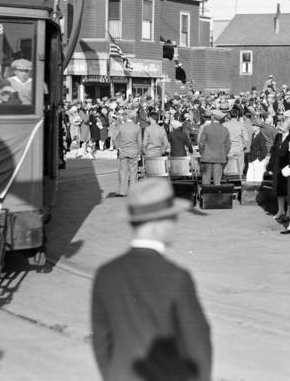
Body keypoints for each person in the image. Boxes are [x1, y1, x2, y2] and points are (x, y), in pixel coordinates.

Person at [91, 178, 212, 381]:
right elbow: (198, 343)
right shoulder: (176, 277)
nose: (175, 224)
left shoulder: (106, 274)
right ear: (158, 224)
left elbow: (101, 341)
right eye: (172, 218)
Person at [198, 110, 231, 186]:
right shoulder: (225, 129)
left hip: (207, 156)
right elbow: (228, 145)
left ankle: (205, 195)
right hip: (219, 157)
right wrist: (223, 153)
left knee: (206, 179)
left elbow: (201, 142)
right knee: (217, 180)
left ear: (213, 117)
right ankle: (216, 195)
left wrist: (202, 152)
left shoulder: (207, 128)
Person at [114, 111, 142, 197]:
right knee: (133, 172)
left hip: (123, 151)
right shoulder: (137, 127)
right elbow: (139, 142)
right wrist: (139, 153)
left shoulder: (120, 126)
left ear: (126, 117)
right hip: (133, 151)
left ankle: (122, 191)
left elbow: (114, 137)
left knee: (123, 171)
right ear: (133, 117)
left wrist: (118, 147)